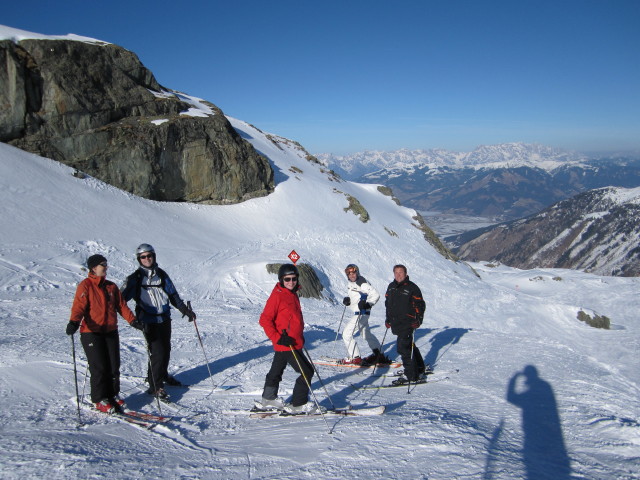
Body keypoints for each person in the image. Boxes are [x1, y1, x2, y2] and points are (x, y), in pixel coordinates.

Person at [121, 244, 196, 400]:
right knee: (157, 352)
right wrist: (132, 320)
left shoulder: (161, 274)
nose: (147, 259)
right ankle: (155, 386)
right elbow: (120, 300)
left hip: (164, 318)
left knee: (166, 349)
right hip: (147, 320)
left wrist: (185, 311)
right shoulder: (135, 278)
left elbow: (173, 295)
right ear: (139, 259)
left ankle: (161, 375)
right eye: (143, 256)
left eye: (149, 255)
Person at [66, 254, 136, 413]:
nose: (105, 267)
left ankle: (112, 395)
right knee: (99, 367)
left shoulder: (111, 287)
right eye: (102, 264)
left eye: (106, 264)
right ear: (93, 268)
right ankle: (99, 399)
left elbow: (122, 306)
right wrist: (74, 322)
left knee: (113, 366)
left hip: (110, 331)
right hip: (91, 333)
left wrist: (133, 321)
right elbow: (78, 307)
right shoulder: (85, 286)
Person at [257, 264, 321, 414]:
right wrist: (277, 338)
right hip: (286, 344)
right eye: (287, 279)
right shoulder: (278, 295)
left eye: (293, 278)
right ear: (281, 280)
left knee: (276, 371)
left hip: (293, 342)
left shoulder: (292, 293)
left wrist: (299, 335)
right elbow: (265, 319)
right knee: (307, 372)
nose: (291, 282)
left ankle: (268, 398)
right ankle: (298, 404)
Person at [340, 264, 390, 366]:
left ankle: (355, 357)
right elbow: (357, 297)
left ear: (357, 272)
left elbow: (375, 295)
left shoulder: (362, 283)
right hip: (360, 312)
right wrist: (348, 301)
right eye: (349, 273)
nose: (352, 275)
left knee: (346, 334)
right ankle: (379, 354)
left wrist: (368, 304)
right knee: (366, 334)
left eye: (354, 273)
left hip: (361, 313)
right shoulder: (351, 283)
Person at [384, 264, 427, 385]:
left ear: (406, 274)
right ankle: (419, 368)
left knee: (403, 348)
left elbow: (420, 305)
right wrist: (388, 319)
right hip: (396, 323)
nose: (398, 275)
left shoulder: (412, 288)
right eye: (396, 272)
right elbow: (388, 304)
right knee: (409, 346)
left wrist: (418, 320)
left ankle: (411, 375)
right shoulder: (391, 287)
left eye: (401, 272)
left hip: (408, 322)